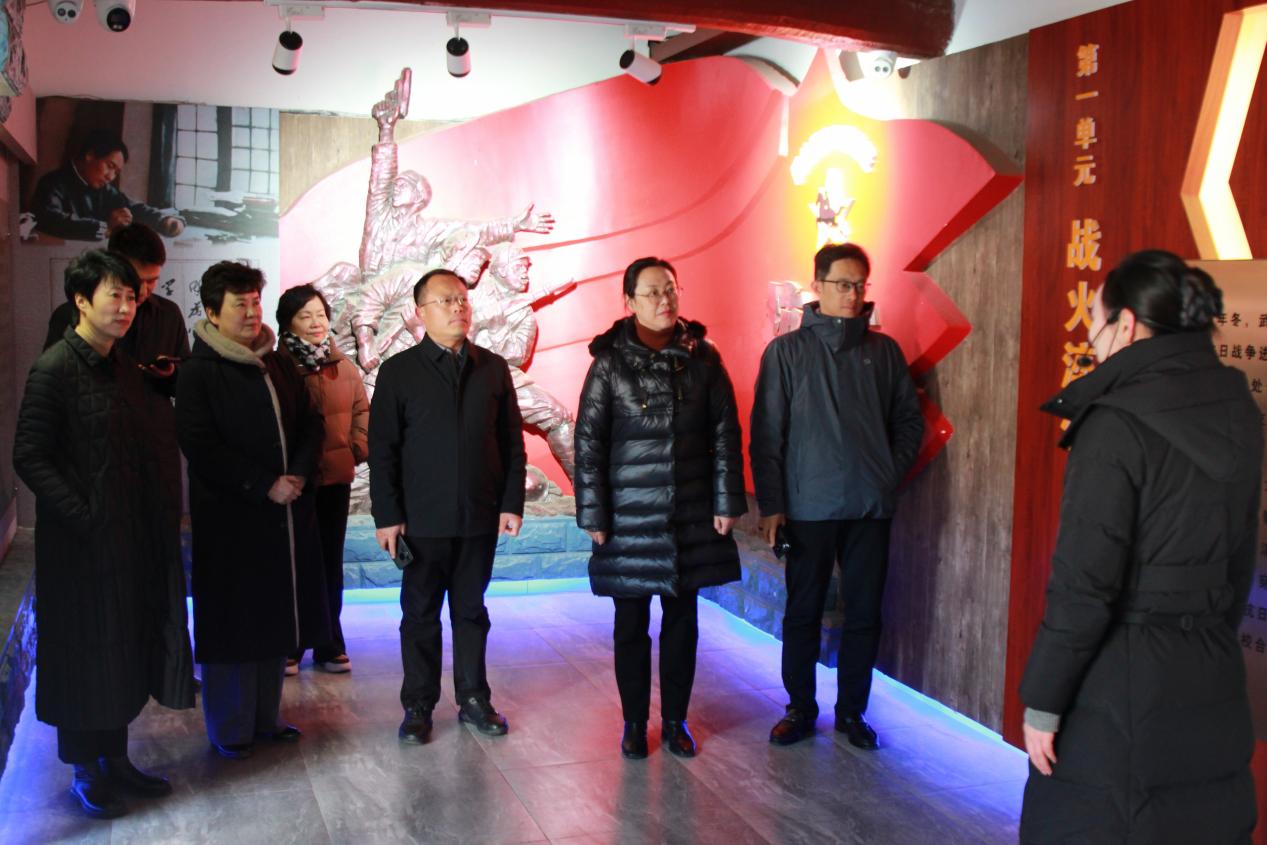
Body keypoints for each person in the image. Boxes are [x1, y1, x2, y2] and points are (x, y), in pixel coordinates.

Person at [1019, 250, 1260, 844]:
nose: (1092, 342)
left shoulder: (1115, 422)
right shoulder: (1239, 406)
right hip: (1210, 669)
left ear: (1125, 325)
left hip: (1119, 686)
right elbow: (1240, 558)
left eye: (1095, 326)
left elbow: (1083, 586)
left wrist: (1043, 701)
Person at [14, 250, 195, 820]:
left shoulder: (122, 366)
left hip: (125, 536)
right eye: (113, 296)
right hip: (78, 546)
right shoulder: (53, 368)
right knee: (81, 653)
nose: (125, 307)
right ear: (80, 301)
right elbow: (29, 456)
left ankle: (114, 758)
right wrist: (84, 513)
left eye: (131, 296)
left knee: (118, 648)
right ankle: (84, 769)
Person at [750, 242, 924, 750]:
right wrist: (772, 504)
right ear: (818, 286)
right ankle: (800, 708)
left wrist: (887, 474)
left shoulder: (884, 352)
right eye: (843, 285)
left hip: (870, 506)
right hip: (808, 506)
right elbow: (766, 434)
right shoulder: (786, 352)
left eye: (859, 286)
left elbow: (908, 422)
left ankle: (852, 712)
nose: (852, 295)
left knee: (865, 613)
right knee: (803, 612)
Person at [573, 257, 746, 760]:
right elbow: (588, 443)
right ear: (629, 302)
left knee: (682, 623)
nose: (663, 300)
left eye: (670, 289)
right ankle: (633, 722)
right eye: (651, 292)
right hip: (628, 517)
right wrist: (594, 514)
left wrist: (726, 500)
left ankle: (675, 721)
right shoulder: (609, 364)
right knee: (630, 625)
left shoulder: (703, 359)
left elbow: (725, 434)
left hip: (689, 512)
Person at [175, 261, 330, 759]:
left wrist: (298, 474)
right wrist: (263, 484)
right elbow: (200, 444)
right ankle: (230, 727)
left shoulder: (277, 362)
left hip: (284, 515)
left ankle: (266, 718)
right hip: (232, 520)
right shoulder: (198, 371)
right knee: (233, 626)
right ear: (211, 312)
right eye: (238, 304)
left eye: (255, 302)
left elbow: (310, 422)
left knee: (274, 620)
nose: (250, 312)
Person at [369, 268, 526, 745]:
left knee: (471, 611)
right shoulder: (399, 371)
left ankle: (474, 698)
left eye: (462, 299)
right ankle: (418, 705)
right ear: (420, 312)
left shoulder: (492, 367)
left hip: (478, 515)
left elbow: (511, 443)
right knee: (419, 615)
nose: (459, 307)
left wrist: (511, 503)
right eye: (446, 300)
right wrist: (387, 516)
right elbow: (383, 450)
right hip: (421, 519)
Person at [43, 223, 192, 694]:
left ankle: (162, 670)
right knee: (106, 586)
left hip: (154, 454)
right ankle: (117, 676)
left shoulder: (166, 314)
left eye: (150, 283)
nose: (138, 297)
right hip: (99, 465)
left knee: (159, 564)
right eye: (131, 284)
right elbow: (38, 441)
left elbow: (185, 377)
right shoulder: (67, 332)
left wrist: (168, 376)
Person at [276, 284, 370, 676]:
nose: (316, 323)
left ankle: (329, 642)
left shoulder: (343, 366)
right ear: (287, 323)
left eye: (320, 315)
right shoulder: (276, 367)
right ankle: (291, 643)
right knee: (293, 563)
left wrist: (354, 449)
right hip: (292, 483)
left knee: (330, 562)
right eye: (305, 316)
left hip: (334, 480)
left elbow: (363, 413)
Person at [29, 129, 185, 242]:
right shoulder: (52, 183)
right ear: (90, 156)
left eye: (116, 172)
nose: (111, 177)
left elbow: (132, 207)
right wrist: (106, 228)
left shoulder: (103, 189)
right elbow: (51, 220)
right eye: (110, 166)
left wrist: (163, 220)